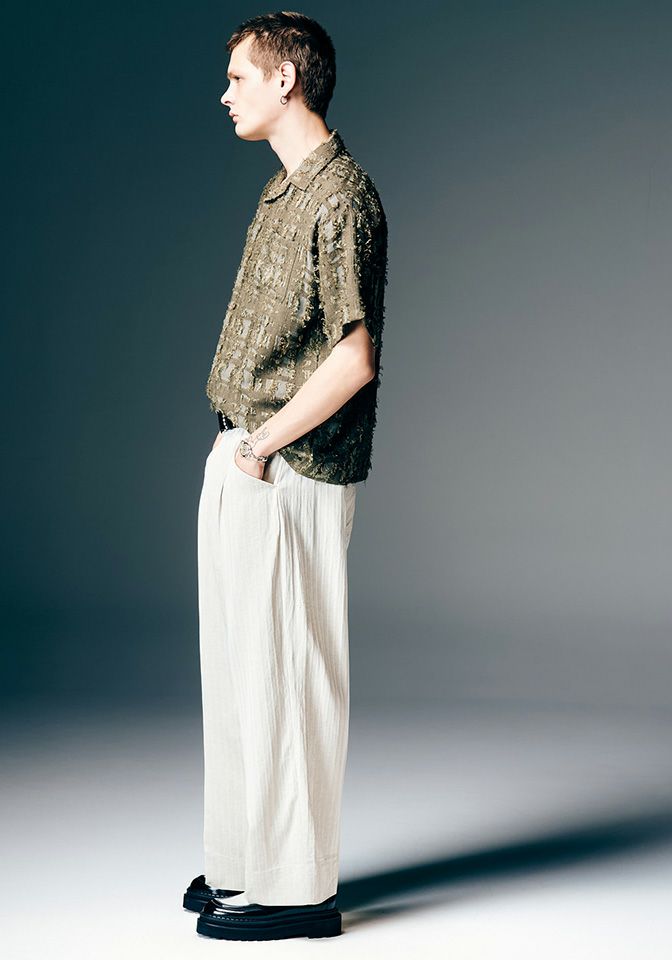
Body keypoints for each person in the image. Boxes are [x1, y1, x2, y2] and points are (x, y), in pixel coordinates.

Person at [183, 11, 388, 941]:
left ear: (285, 80)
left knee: (292, 675)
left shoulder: (342, 197)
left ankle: (301, 891)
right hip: (248, 453)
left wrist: (262, 445)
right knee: (241, 673)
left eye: (238, 76)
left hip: (292, 462)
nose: (225, 93)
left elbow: (353, 359)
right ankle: (246, 863)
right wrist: (241, 446)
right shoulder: (285, 191)